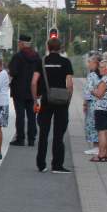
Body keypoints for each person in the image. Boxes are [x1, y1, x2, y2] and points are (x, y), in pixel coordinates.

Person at [31, 36, 74, 174]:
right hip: (61, 101)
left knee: (43, 133)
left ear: (48, 47)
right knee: (58, 134)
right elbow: (70, 84)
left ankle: (41, 164)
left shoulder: (42, 62)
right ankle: (57, 165)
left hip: (46, 100)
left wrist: (35, 100)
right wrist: (68, 101)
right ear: (60, 48)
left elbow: (33, 82)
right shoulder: (66, 62)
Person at [7, 34, 40, 147]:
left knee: (20, 115)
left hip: (19, 91)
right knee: (32, 116)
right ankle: (31, 139)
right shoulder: (37, 57)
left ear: (21, 43)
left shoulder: (18, 56)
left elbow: (13, 72)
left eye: (19, 43)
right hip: (32, 91)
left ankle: (20, 139)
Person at [88, 56, 107, 162]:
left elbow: (99, 94)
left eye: (101, 67)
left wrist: (92, 90)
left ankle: (101, 155)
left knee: (101, 132)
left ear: (106, 69)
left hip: (101, 108)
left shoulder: (104, 80)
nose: (99, 69)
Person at [82, 53, 101, 155]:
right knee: (98, 124)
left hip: (92, 103)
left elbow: (88, 90)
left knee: (92, 124)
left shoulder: (92, 75)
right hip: (100, 103)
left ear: (95, 63)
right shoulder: (102, 74)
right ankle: (99, 146)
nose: (88, 64)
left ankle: (96, 147)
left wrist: (85, 103)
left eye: (89, 62)